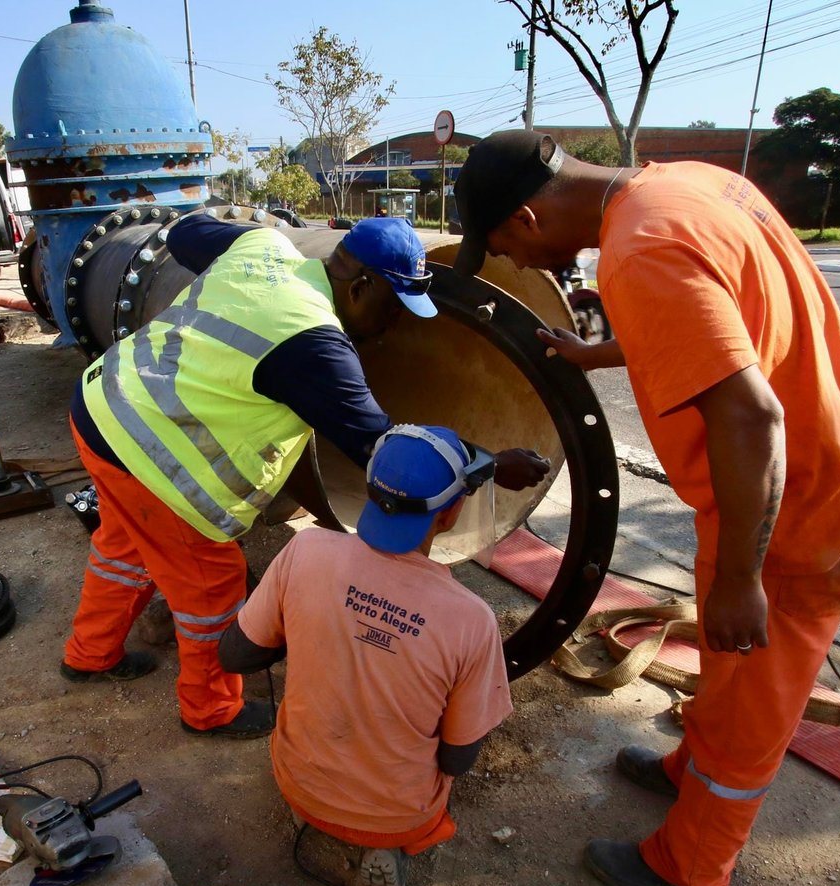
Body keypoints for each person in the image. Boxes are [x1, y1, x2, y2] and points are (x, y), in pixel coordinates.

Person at [451, 131, 840, 886]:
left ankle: (691, 867)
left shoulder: (637, 250)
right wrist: (605, 354)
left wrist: (740, 578)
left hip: (796, 507)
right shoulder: (686, 185)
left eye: (509, 252)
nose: (521, 267)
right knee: (727, 668)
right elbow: (721, 319)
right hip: (790, 479)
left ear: (524, 218)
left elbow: (752, 416)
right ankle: (688, 769)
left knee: (755, 699)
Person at [63, 213, 548, 740]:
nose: (393, 326)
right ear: (360, 286)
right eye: (393, 308)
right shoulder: (317, 346)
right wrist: (494, 465)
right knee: (210, 590)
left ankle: (89, 655)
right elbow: (387, 454)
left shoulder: (261, 244)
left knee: (123, 549)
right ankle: (211, 710)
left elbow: (182, 233)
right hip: (151, 461)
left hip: (101, 409)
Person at [218, 424, 514, 886]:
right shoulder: (470, 620)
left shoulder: (306, 551)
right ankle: (383, 847)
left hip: (296, 783)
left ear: (369, 490)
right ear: (451, 512)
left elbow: (236, 656)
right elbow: (458, 760)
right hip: (398, 817)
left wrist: (318, 624)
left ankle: (312, 813)